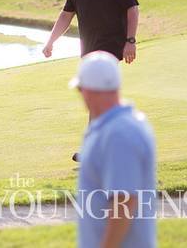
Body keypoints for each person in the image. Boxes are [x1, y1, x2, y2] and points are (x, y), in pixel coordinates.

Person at [42, 0, 140, 162]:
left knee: (96, 94)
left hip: (109, 47)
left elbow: (132, 9)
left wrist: (130, 41)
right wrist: (50, 41)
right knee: (99, 98)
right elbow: (66, 15)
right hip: (88, 48)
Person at [70, 51, 156, 248]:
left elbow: (124, 201)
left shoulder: (119, 133)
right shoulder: (115, 126)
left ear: (89, 90)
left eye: (80, 90)